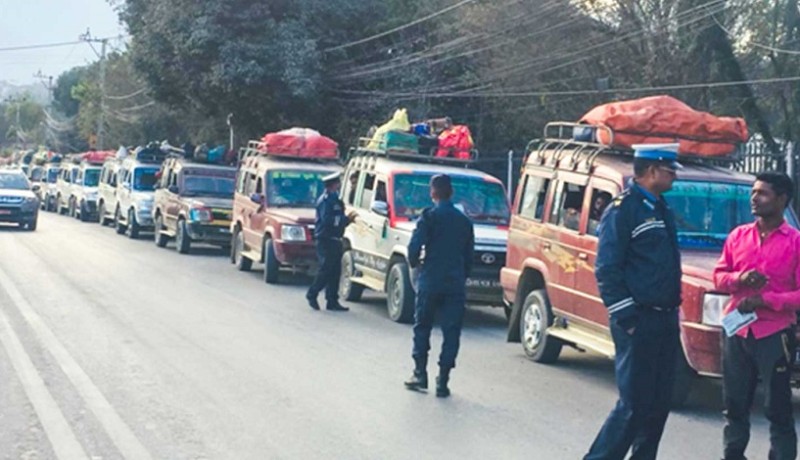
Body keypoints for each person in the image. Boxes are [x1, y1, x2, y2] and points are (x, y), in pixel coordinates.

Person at [585, 143, 683, 460]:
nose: (674, 177)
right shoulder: (623, 209)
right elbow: (607, 268)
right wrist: (626, 316)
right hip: (638, 318)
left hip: (665, 318)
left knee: (658, 403)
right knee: (634, 403)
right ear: (652, 171)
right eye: (670, 171)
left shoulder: (660, 207)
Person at [713, 172, 799, 460]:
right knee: (734, 405)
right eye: (753, 192)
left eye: (762, 193)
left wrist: (766, 300)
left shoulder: (795, 242)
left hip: (774, 334)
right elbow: (719, 277)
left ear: (782, 199)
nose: (754, 198)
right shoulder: (738, 236)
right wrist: (740, 278)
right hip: (737, 332)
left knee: (778, 408)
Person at [404, 174, 474, 398]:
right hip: (454, 283)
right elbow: (469, 256)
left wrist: (415, 264)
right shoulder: (464, 221)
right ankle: (443, 380)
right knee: (451, 332)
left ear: (432, 193)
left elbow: (414, 248)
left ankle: (420, 373)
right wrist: (462, 277)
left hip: (431, 280)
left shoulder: (429, 217)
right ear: (451, 193)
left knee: (422, 326)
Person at [306, 172, 350, 312]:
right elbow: (327, 221)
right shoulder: (325, 200)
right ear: (333, 184)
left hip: (335, 239)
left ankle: (332, 300)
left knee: (335, 271)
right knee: (325, 269)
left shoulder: (335, 198)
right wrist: (346, 220)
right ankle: (312, 294)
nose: (340, 184)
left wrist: (346, 221)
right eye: (338, 182)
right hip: (325, 239)